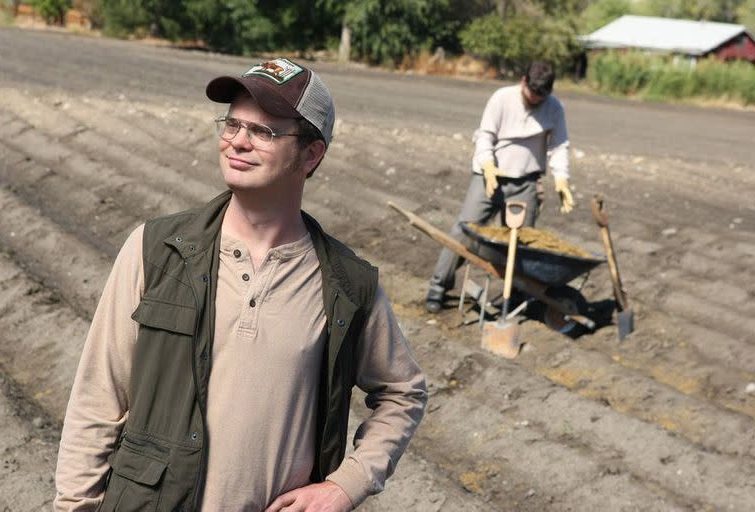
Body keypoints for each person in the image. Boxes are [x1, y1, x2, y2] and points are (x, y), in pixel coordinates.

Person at [54, 58, 427, 511]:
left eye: (264, 132)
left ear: (311, 154)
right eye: (232, 124)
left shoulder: (347, 284)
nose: (238, 142)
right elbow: (98, 398)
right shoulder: (156, 250)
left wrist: (346, 484)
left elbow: (402, 392)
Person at [425, 61, 574, 313]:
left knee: (523, 242)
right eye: (532, 94)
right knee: (464, 230)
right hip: (490, 178)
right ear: (523, 81)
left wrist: (561, 179)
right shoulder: (502, 98)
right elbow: (485, 135)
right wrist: (488, 166)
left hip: (525, 182)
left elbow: (559, 146)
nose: (536, 100)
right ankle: (438, 288)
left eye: (542, 96)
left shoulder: (554, 107)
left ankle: (517, 295)